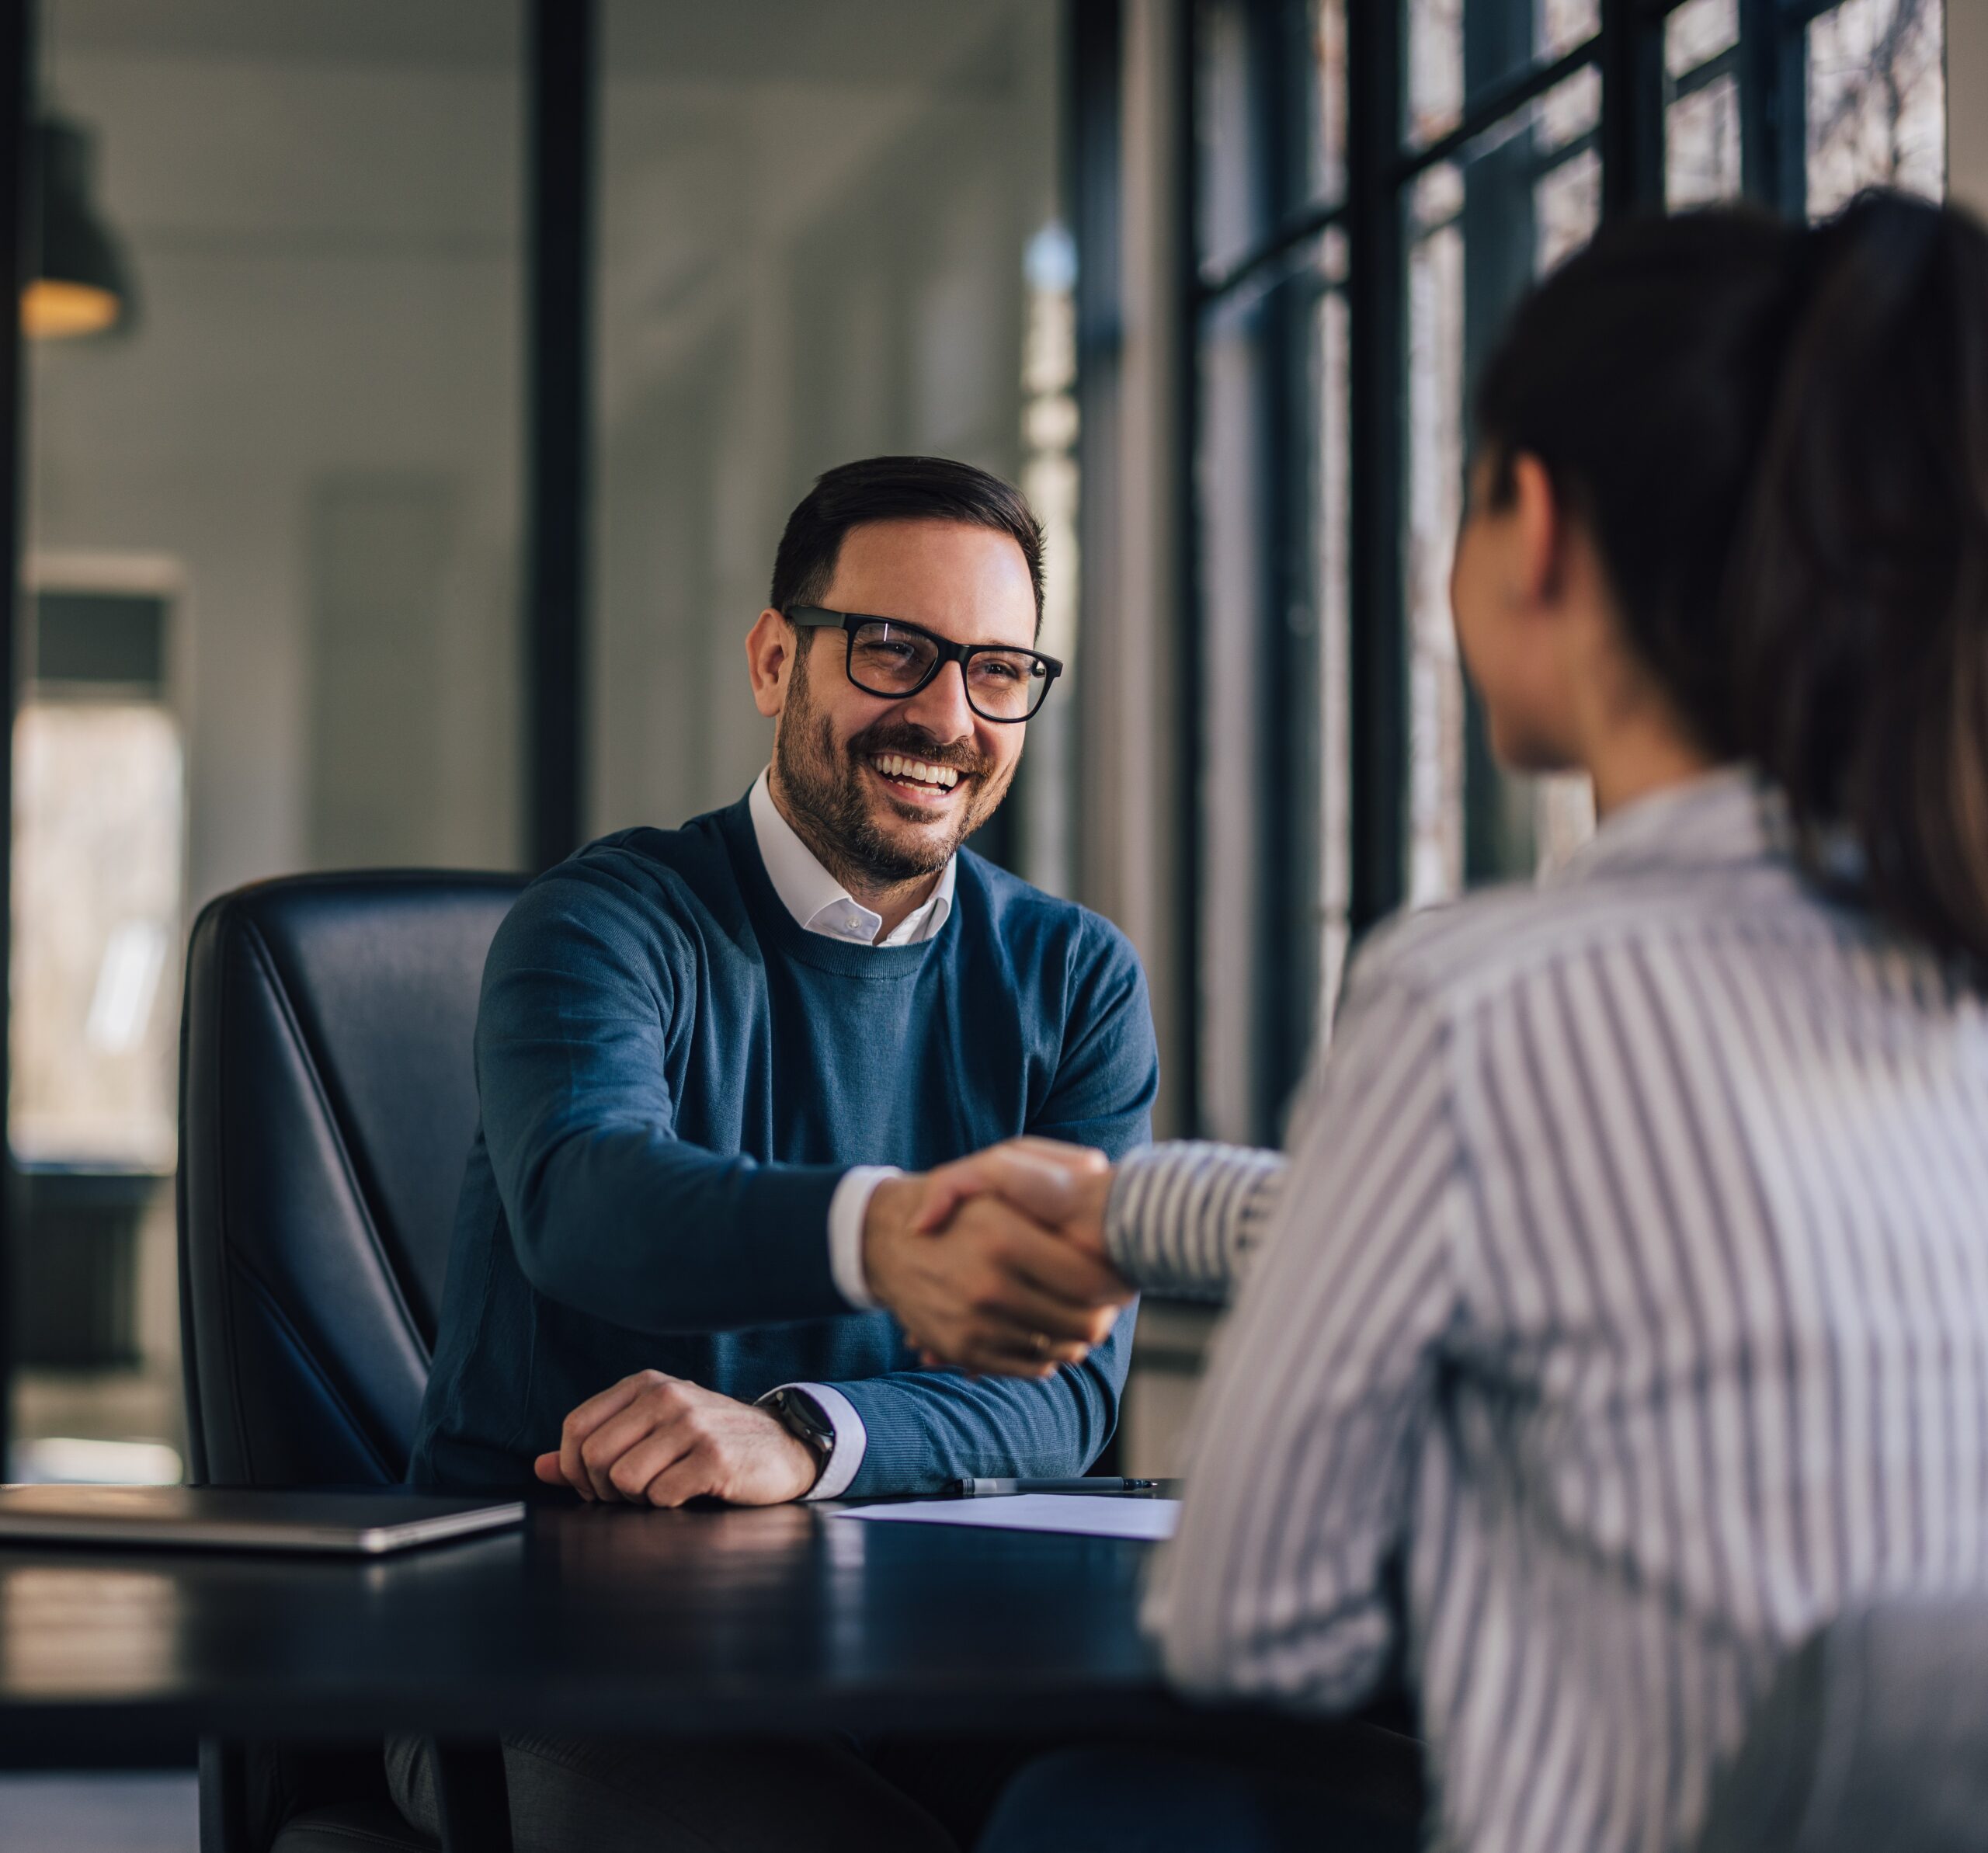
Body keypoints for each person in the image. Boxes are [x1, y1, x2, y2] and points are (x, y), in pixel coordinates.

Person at [966, 191, 1988, 1853]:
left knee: (1082, 1810)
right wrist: (1125, 1203)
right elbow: (1621, 1231)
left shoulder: (1478, 1001)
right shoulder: (1936, 973)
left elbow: (1252, 1620)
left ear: (1529, 527)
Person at [391, 454, 1152, 1852]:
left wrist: (808, 1435)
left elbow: (1069, 1392)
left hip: (897, 1646)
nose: (946, 714)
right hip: (542, 1659)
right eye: (892, 650)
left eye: (997, 669)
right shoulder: (606, 924)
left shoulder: (1076, 979)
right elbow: (586, 1201)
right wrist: (899, 1237)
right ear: (773, 658)